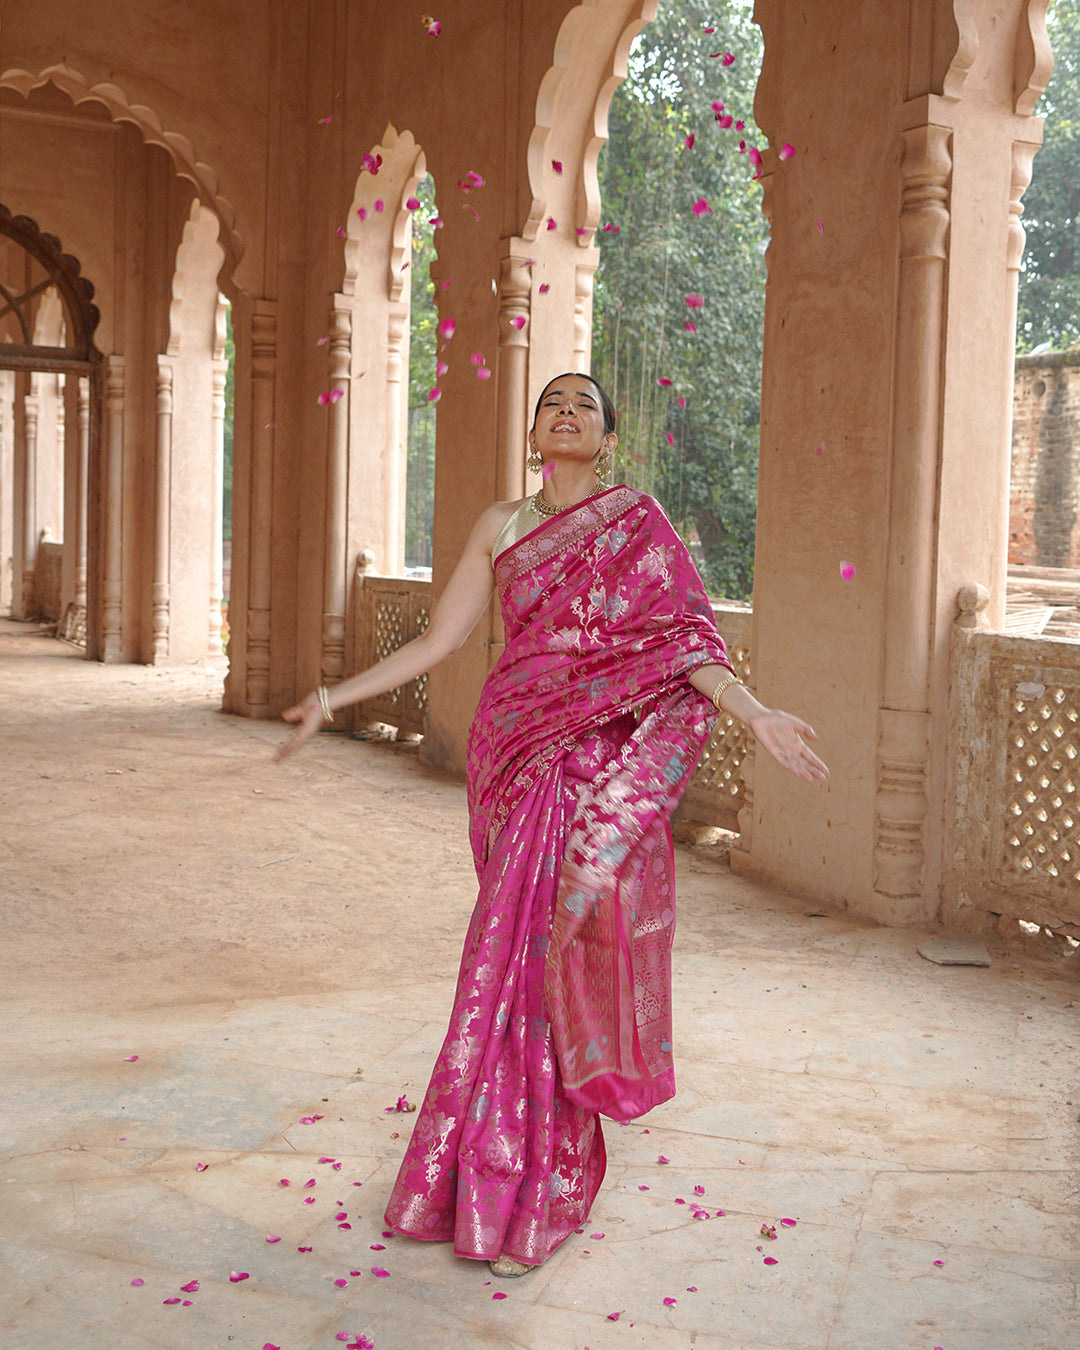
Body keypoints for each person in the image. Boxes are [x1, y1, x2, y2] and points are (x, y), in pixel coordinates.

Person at [276, 372, 828, 1277]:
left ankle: (547, 1188)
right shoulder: (500, 523)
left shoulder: (638, 524)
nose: (565, 411)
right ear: (534, 431)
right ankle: (487, 1174)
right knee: (502, 965)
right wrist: (333, 697)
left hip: (592, 772)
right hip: (515, 755)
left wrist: (754, 712)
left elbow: (683, 644)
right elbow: (439, 640)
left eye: (584, 404)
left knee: (555, 965)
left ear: (606, 437)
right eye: (551, 402)